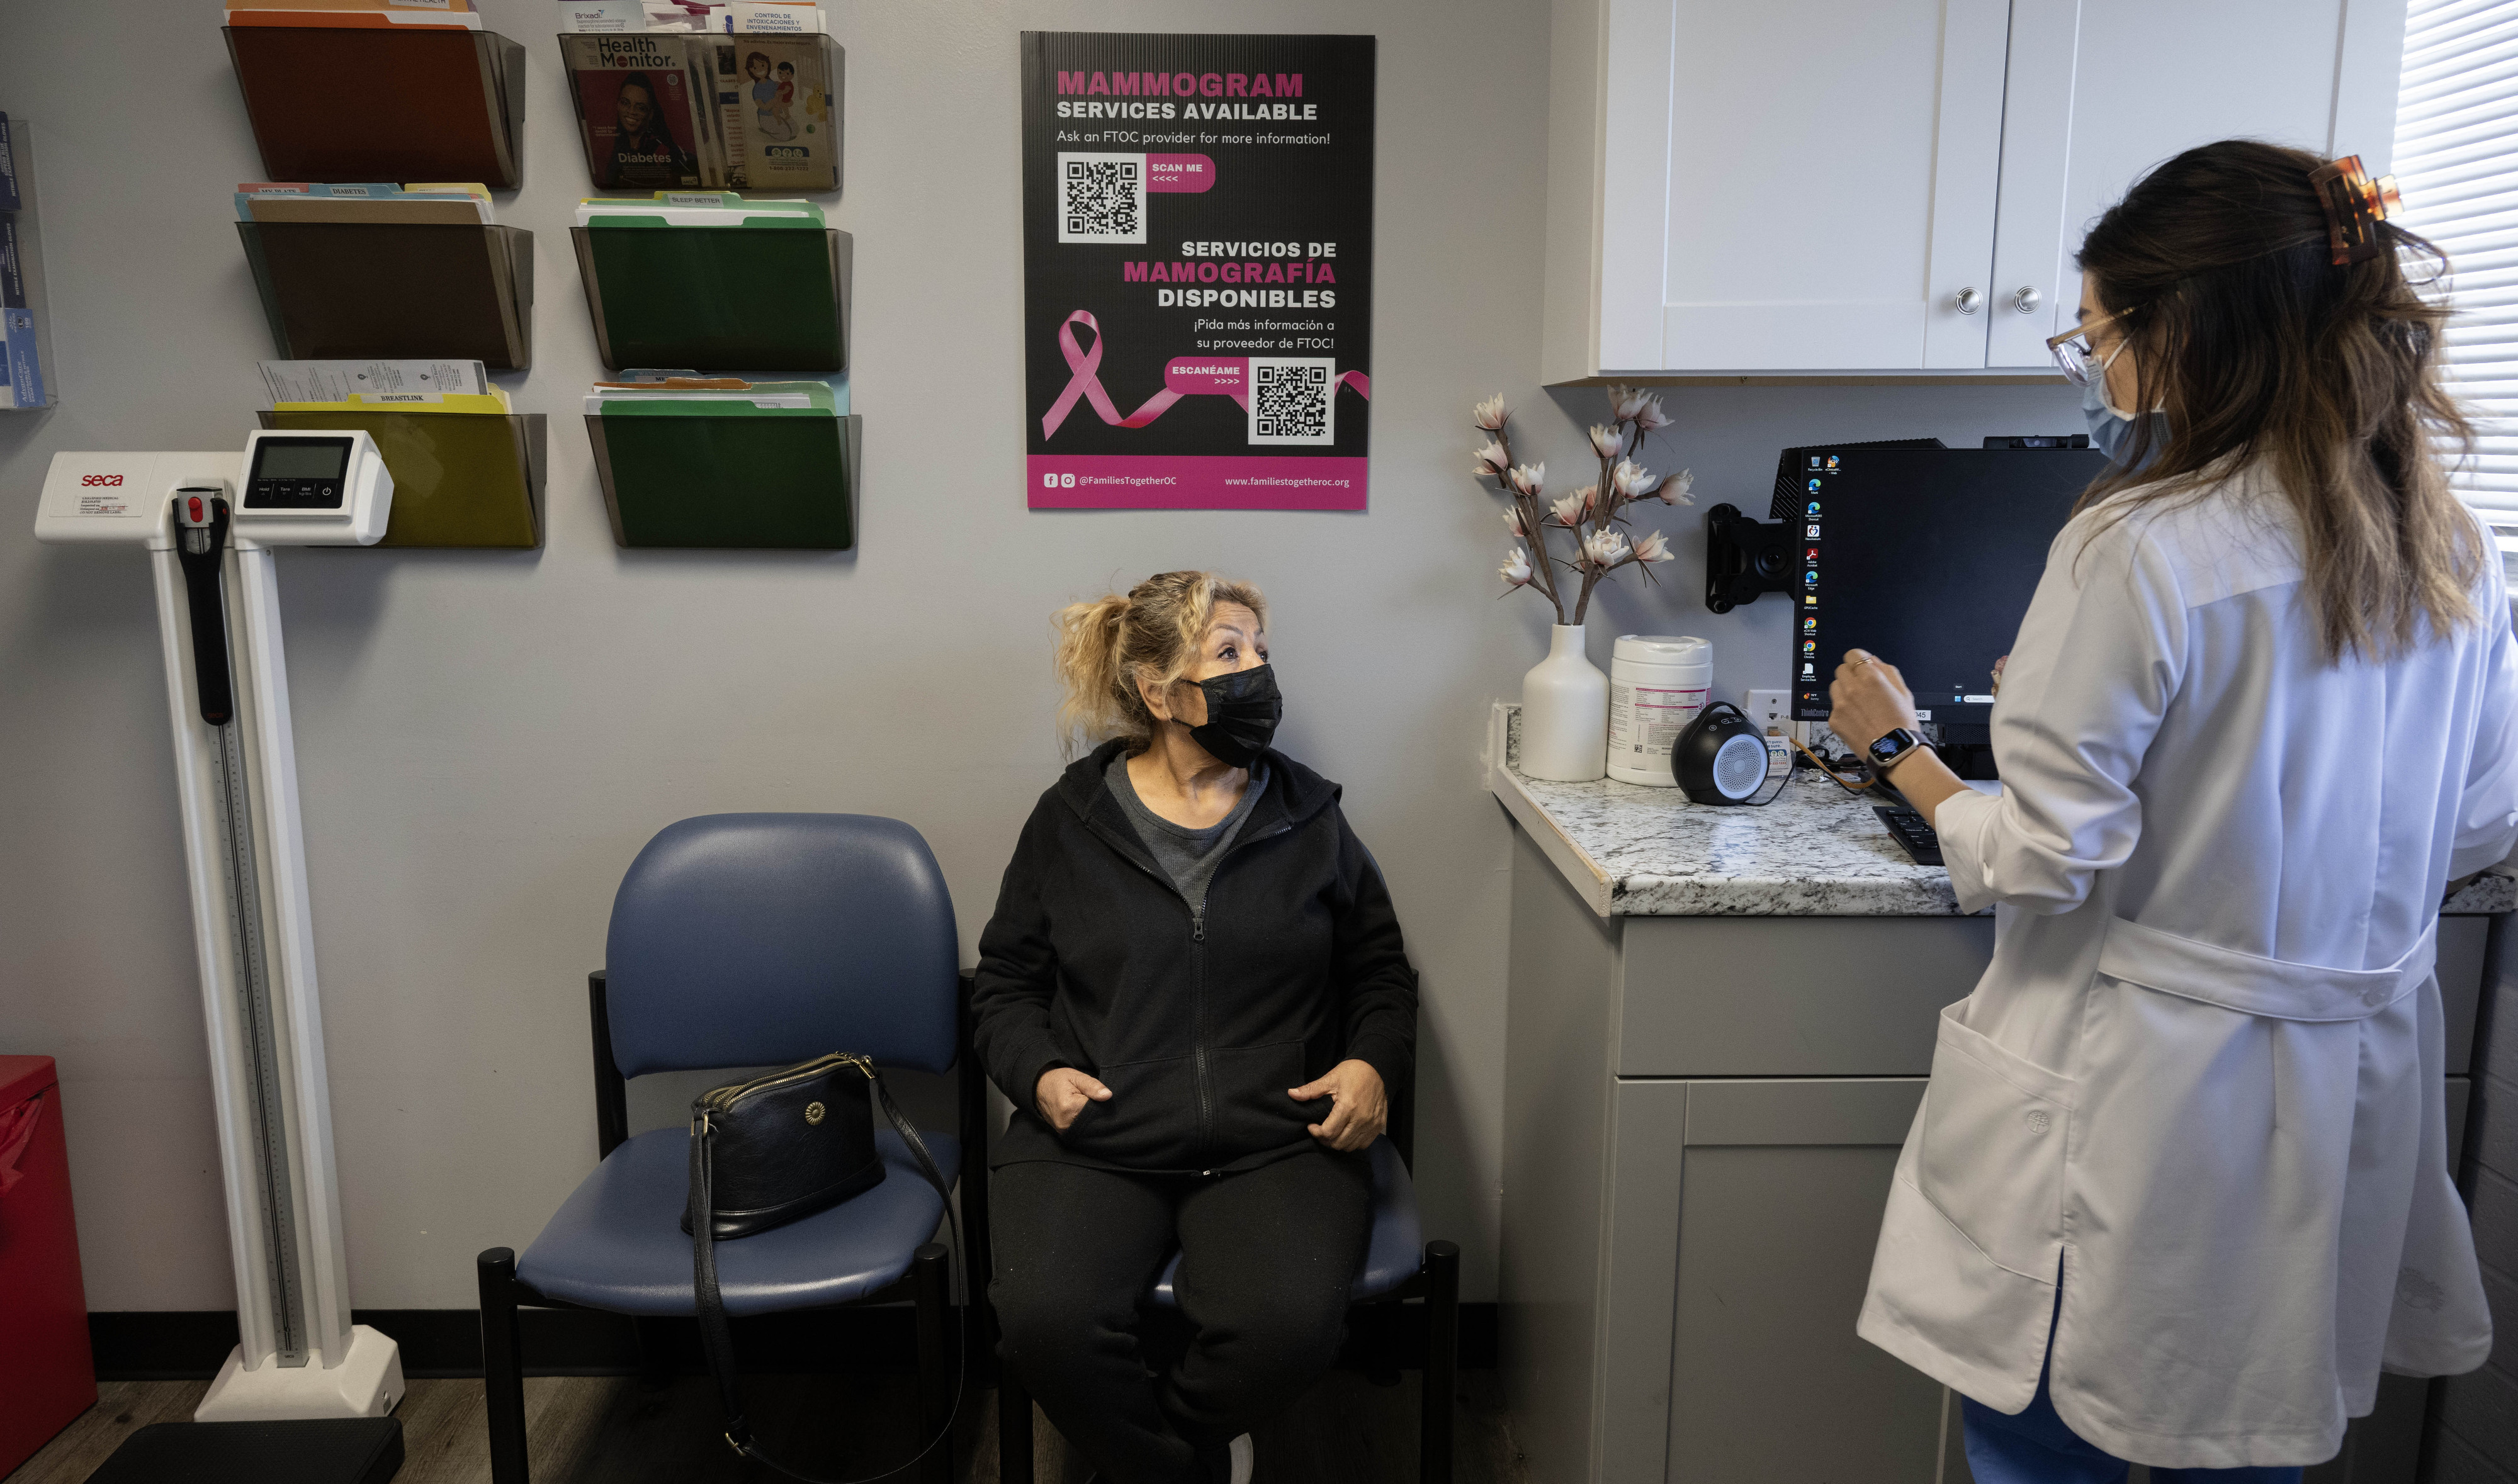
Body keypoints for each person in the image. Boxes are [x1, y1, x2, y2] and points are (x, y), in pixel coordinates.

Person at [1827, 139, 2517, 1483]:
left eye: (2095, 338)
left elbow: (2041, 857)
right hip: (2343, 1097)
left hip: (2142, 1101)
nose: (2096, 374)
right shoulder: (2454, 548)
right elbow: (2479, 825)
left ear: (2183, 328)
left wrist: (1904, 754)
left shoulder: (2134, 546)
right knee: (2252, 1440)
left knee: (2046, 1445)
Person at [973, 571, 1419, 1484]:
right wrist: (1041, 1074)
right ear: (1157, 692)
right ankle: (1189, 1468)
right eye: (1229, 652)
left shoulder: (1309, 817)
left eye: (1260, 649)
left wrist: (1372, 1064)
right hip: (1101, 1132)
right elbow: (1007, 983)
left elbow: (1379, 973)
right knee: (1046, 1321)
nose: (1257, 670)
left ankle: (1149, 1454)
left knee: (1289, 1327)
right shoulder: (1069, 822)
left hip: (1275, 1136)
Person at [604, 72, 694, 189]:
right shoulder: (619, 145)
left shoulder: (662, 149)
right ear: (618, 105)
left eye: (640, 107)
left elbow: (691, 176)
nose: (631, 111)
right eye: (625, 103)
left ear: (650, 114)